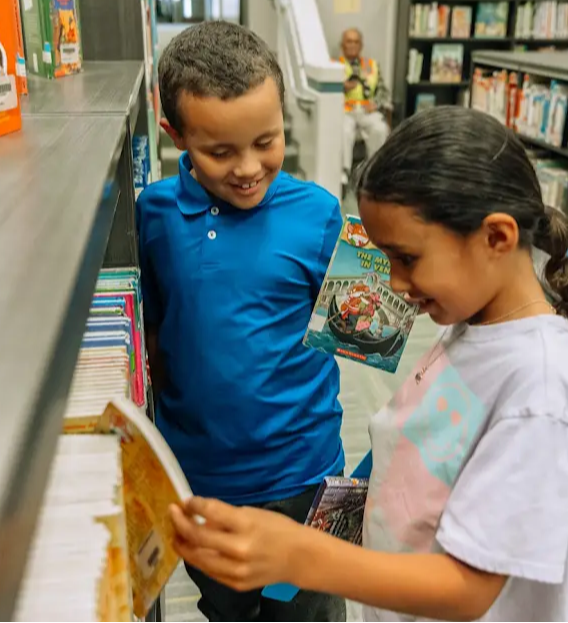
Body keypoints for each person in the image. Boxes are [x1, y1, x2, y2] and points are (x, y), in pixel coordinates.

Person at [169, 106, 568, 623]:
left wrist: (298, 555)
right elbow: (417, 449)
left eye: (406, 259)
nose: (391, 284)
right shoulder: (472, 323)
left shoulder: (539, 390)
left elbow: (468, 589)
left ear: (496, 239)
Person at [137, 21, 347, 623]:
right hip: (204, 483)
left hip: (309, 473)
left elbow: (372, 339)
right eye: (220, 151)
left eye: (267, 140)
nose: (249, 168)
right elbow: (153, 334)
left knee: (312, 615)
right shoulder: (153, 214)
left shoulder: (321, 212)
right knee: (226, 611)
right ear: (175, 135)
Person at [339, 27, 390, 184]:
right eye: (349, 41)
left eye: (356, 42)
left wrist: (376, 104)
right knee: (344, 130)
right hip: (345, 111)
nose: (353, 45)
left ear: (361, 45)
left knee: (380, 129)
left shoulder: (371, 65)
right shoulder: (335, 66)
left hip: (368, 112)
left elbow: (384, 92)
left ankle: (375, 171)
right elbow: (327, 95)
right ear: (342, 45)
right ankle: (343, 173)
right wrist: (341, 87)